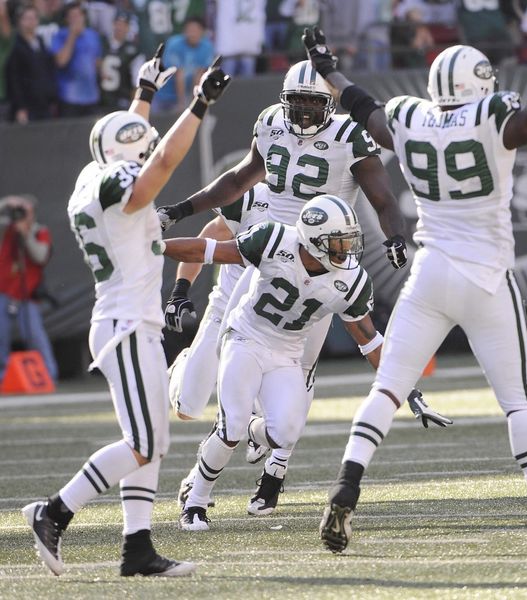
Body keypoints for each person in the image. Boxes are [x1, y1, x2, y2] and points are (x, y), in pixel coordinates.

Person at [301, 9, 527, 552]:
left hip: (429, 271)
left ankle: (345, 487)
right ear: (479, 85)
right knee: (517, 402)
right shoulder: (492, 116)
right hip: (485, 277)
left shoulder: (410, 117)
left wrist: (327, 68)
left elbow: (361, 104)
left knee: (386, 388)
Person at [158, 58, 450, 518]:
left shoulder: (349, 138)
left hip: (320, 264)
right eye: (298, 104)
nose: (306, 114)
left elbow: (383, 199)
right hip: (270, 254)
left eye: (315, 103)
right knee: (213, 377)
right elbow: (226, 206)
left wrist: (394, 234)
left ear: (329, 104)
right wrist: (175, 217)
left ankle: (272, 466)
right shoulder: (270, 133)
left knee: (297, 377)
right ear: (284, 102)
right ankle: (214, 459)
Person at [20, 47, 230, 577]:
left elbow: (129, 144)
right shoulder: (118, 184)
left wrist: (145, 93)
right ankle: (55, 511)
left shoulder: (93, 177)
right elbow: (157, 163)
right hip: (125, 327)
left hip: (130, 323)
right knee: (146, 442)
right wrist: (199, 104)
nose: (148, 148)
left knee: (150, 440)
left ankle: (137, 548)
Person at [162, 195, 437, 530]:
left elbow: (369, 340)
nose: (346, 249)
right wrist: (155, 247)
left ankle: (245, 429)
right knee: (230, 426)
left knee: (285, 433)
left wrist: (408, 390)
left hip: (286, 354)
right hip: (245, 338)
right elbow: (209, 251)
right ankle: (196, 502)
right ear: (312, 239)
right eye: (338, 241)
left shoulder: (350, 280)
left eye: (349, 240)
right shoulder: (274, 239)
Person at [0, 194, 58, 384]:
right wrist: (7, 203)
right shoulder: (6, 228)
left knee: (34, 335)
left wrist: (26, 235)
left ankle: (48, 375)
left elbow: (40, 257)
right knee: (1, 336)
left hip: (27, 295)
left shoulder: (39, 231)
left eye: (25, 211)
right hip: (4, 292)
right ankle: (3, 377)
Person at [4, 4, 59, 123]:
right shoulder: (15, 46)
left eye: (34, 18)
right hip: (28, 106)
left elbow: (48, 71)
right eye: (27, 18)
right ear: (19, 21)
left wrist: (52, 97)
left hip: (44, 103)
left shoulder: (41, 42)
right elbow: (14, 79)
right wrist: (20, 107)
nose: (32, 22)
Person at [50, 1, 102, 117]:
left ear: (84, 17)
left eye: (78, 15)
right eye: (72, 16)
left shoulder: (93, 35)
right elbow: (61, 61)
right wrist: (72, 36)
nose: (76, 19)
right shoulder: (59, 36)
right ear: (66, 20)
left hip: (92, 96)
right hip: (69, 97)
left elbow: (97, 62)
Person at [154, 16, 213, 113]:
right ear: (184, 31)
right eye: (190, 30)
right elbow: (179, 75)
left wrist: (195, 103)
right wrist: (182, 104)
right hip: (164, 93)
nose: (192, 34)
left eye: (196, 30)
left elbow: (199, 76)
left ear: (202, 32)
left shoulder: (207, 47)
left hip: (187, 93)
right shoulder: (174, 44)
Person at [99, 10, 143, 111]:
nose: (120, 28)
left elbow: (137, 82)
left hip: (122, 99)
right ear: (113, 25)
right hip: (101, 100)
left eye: (123, 25)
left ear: (128, 27)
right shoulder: (102, 44)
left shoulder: (134, 51)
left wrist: (134, 106)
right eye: (117, 24)